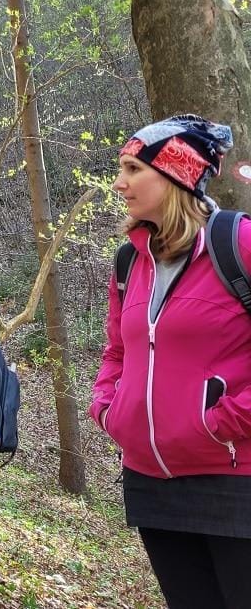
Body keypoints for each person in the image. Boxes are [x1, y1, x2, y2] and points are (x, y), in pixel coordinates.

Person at [90, 115, 251, 608]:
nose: (119, 183)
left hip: (233, 475)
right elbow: (118, 349)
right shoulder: (129, 261)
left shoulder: (238, 243)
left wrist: (223, 420)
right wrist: (109, 408)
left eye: (133, 168)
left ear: (178, 174)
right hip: (151, 480)